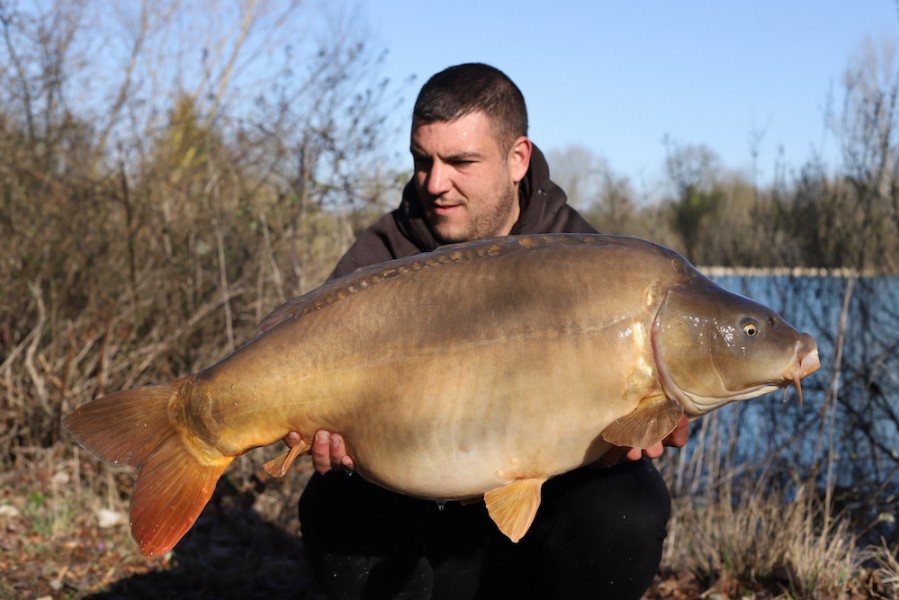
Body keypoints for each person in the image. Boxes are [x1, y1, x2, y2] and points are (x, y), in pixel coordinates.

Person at [287, 63, 689, 600]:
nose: (434, 183)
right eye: (422, 161)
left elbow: (659, 403)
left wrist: (639, 431)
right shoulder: (382, 257)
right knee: (332, 502)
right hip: (419, 512)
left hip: (536, 522)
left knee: (629, 506)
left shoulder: (586, 258)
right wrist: (323, 437)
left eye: (460, 162)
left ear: (517, 158)